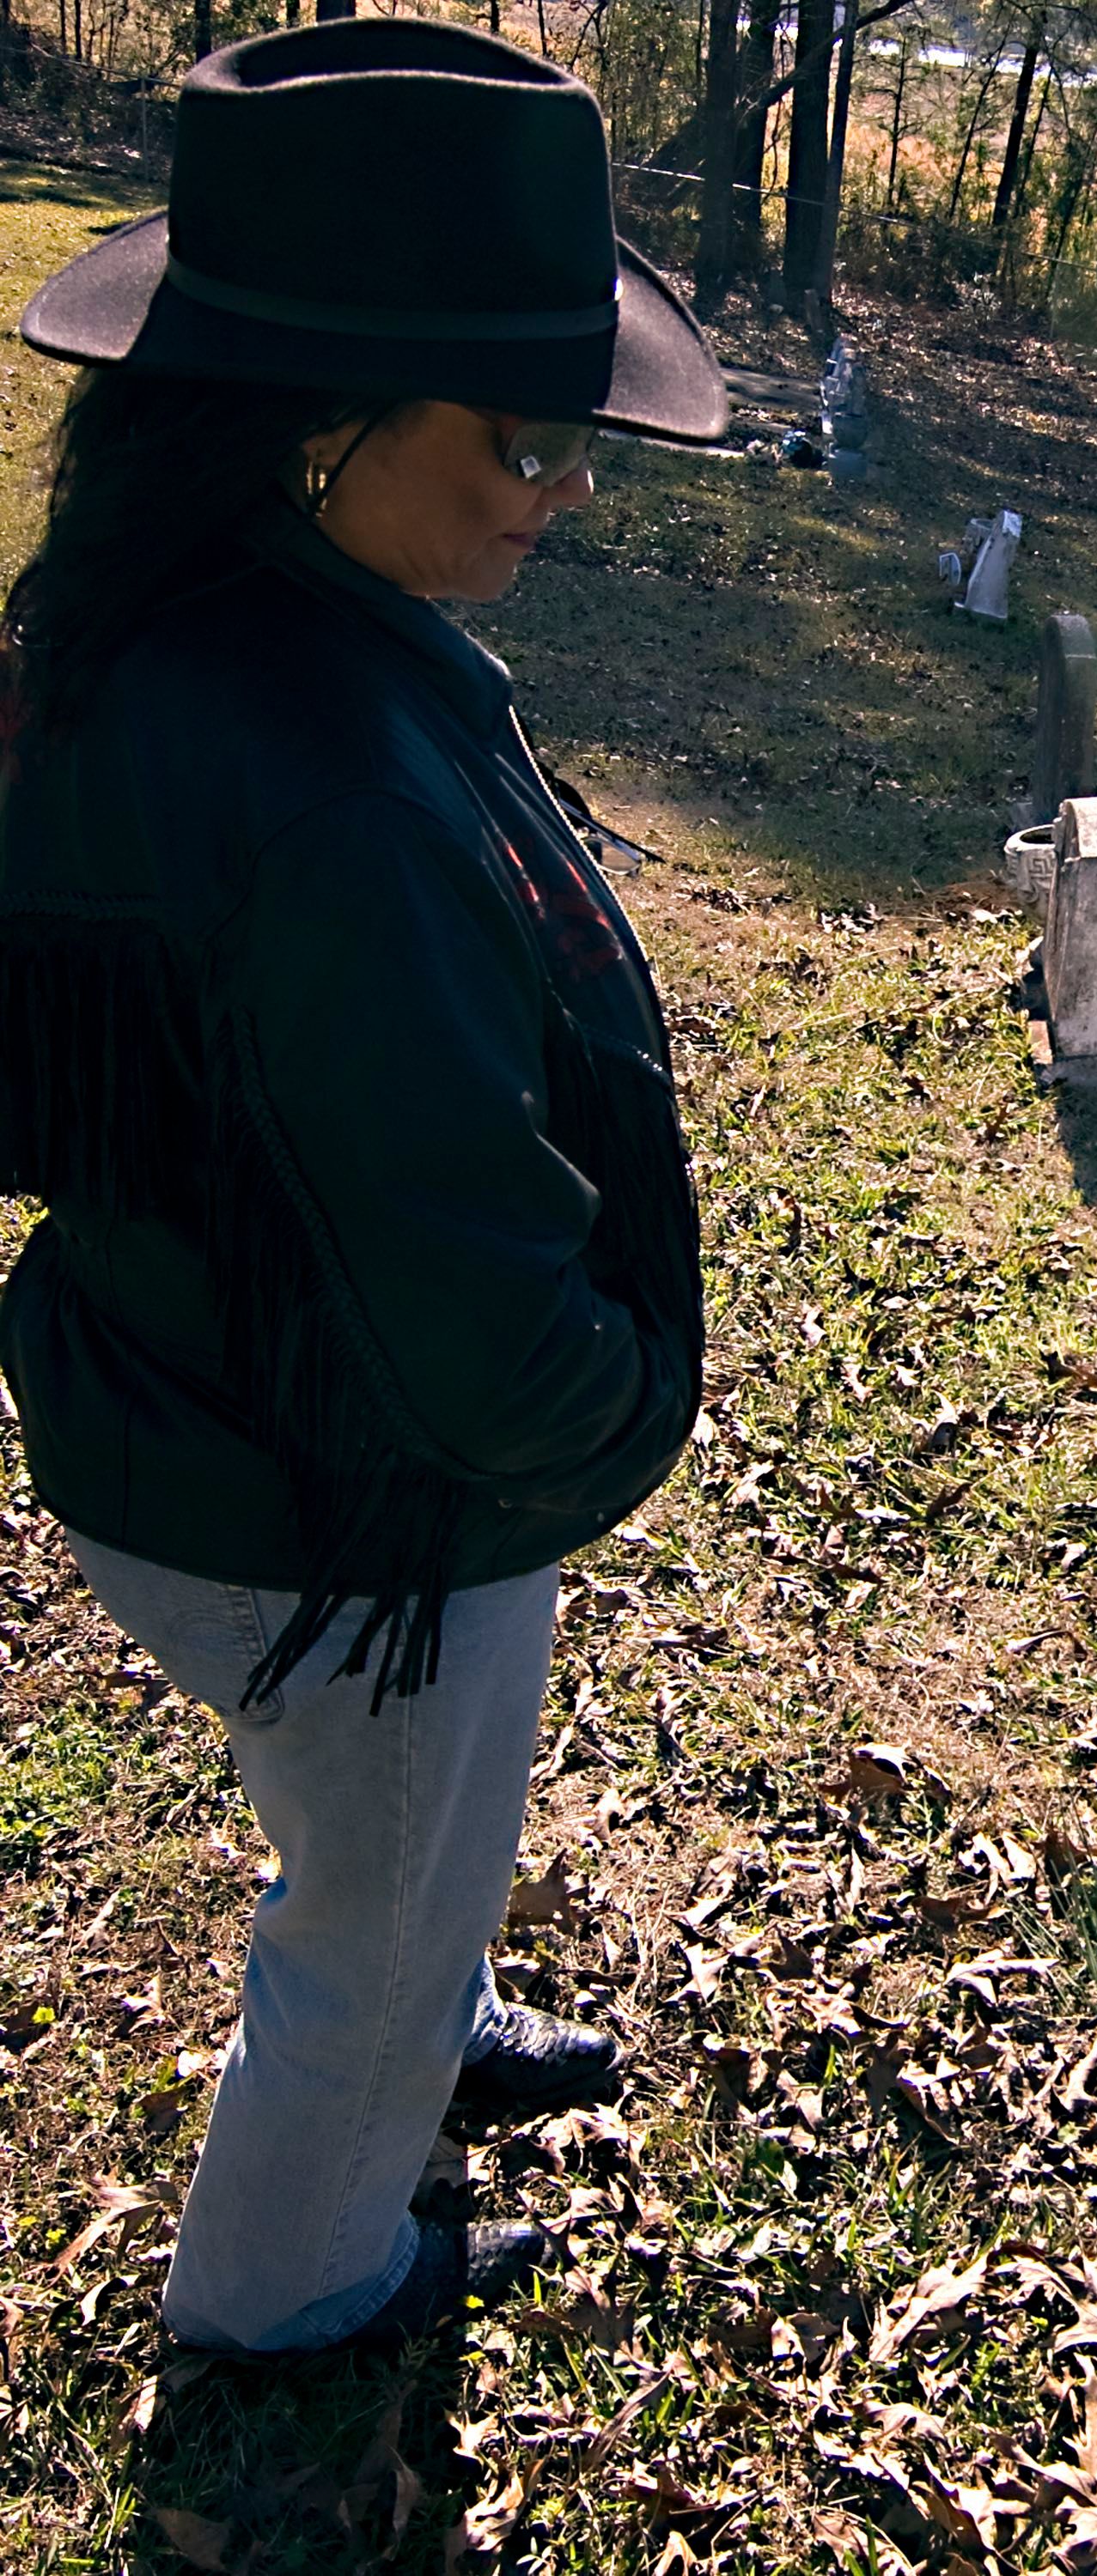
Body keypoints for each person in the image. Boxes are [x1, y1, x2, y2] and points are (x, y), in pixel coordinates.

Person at [0, 19, 725, 2353]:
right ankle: (298, 2286)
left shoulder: (177, 627)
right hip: (343, 1507)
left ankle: (444, 1996)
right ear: (318, 432)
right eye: (520, 438)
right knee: (373, 1914)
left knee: (397, 1852)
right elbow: (465, 1317)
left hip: (195, 1393)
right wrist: (618, 1403)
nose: (564, 492)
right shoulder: (329, 802)